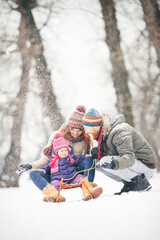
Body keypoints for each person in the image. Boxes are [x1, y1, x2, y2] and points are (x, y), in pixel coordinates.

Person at [18, 106, 95, 191]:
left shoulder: (85, 140)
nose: (76, 133)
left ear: (83, 130)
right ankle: (51, 192)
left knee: (89, 158)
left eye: (79, 131)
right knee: (34, 174)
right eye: (73, 129)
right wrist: (31, 165)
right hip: (57, 175)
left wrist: (94, 156)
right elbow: (46, 160)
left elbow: (86, 161)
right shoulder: (56, 137)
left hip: (74, 172)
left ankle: (88, 188)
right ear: (69, 127)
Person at [82, 108, 157, 195]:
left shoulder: (120, 131)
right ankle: (130, 183)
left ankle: (139, 183)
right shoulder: (104, 133)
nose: (86, 132)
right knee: (98, 163)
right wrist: (100, 153)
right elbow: (114, 152)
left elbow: (129, 158)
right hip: (135, 165)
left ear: (94, 126)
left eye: (86, 128)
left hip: (146, 165)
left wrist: (114, 163)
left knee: (106, 162)